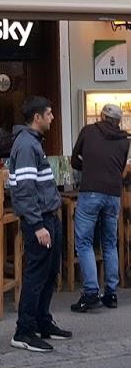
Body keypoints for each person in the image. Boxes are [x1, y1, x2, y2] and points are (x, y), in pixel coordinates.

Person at [7, 96, 72, 352]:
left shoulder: (32, 143)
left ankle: (43, 322)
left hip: (47, 216)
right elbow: (24, 190)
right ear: (37, 117)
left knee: (49, 272)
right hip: (40, 220)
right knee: (36, 274)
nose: (53, 117)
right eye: (49, 113)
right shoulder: (26, 145)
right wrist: (36, 225)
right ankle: (24, 331)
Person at [69, 103, 131, 312]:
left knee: (85, 242)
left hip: (91, 191)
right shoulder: (124, 140)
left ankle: (90, 292)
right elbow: (120, 167)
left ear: (102, 116)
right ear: (118, 121)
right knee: (110, 243)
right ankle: (111, 293)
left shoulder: (88, 131)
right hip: (114, 193)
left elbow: (74, 159)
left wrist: (87, 167)